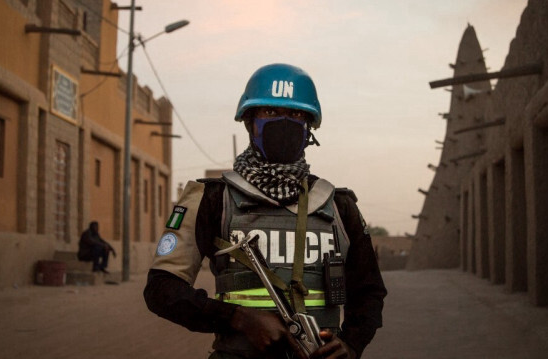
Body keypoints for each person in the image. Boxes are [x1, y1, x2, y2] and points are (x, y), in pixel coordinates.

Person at [144, 64, 386, 358]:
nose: (284, 122)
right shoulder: (212, 199)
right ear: (249, 122)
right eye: (270, 113)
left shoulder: (338, 205)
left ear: (309, 127)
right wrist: (237, 319)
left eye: (296, 115)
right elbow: (162, 290)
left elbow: (369, 291)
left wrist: (352, 343)